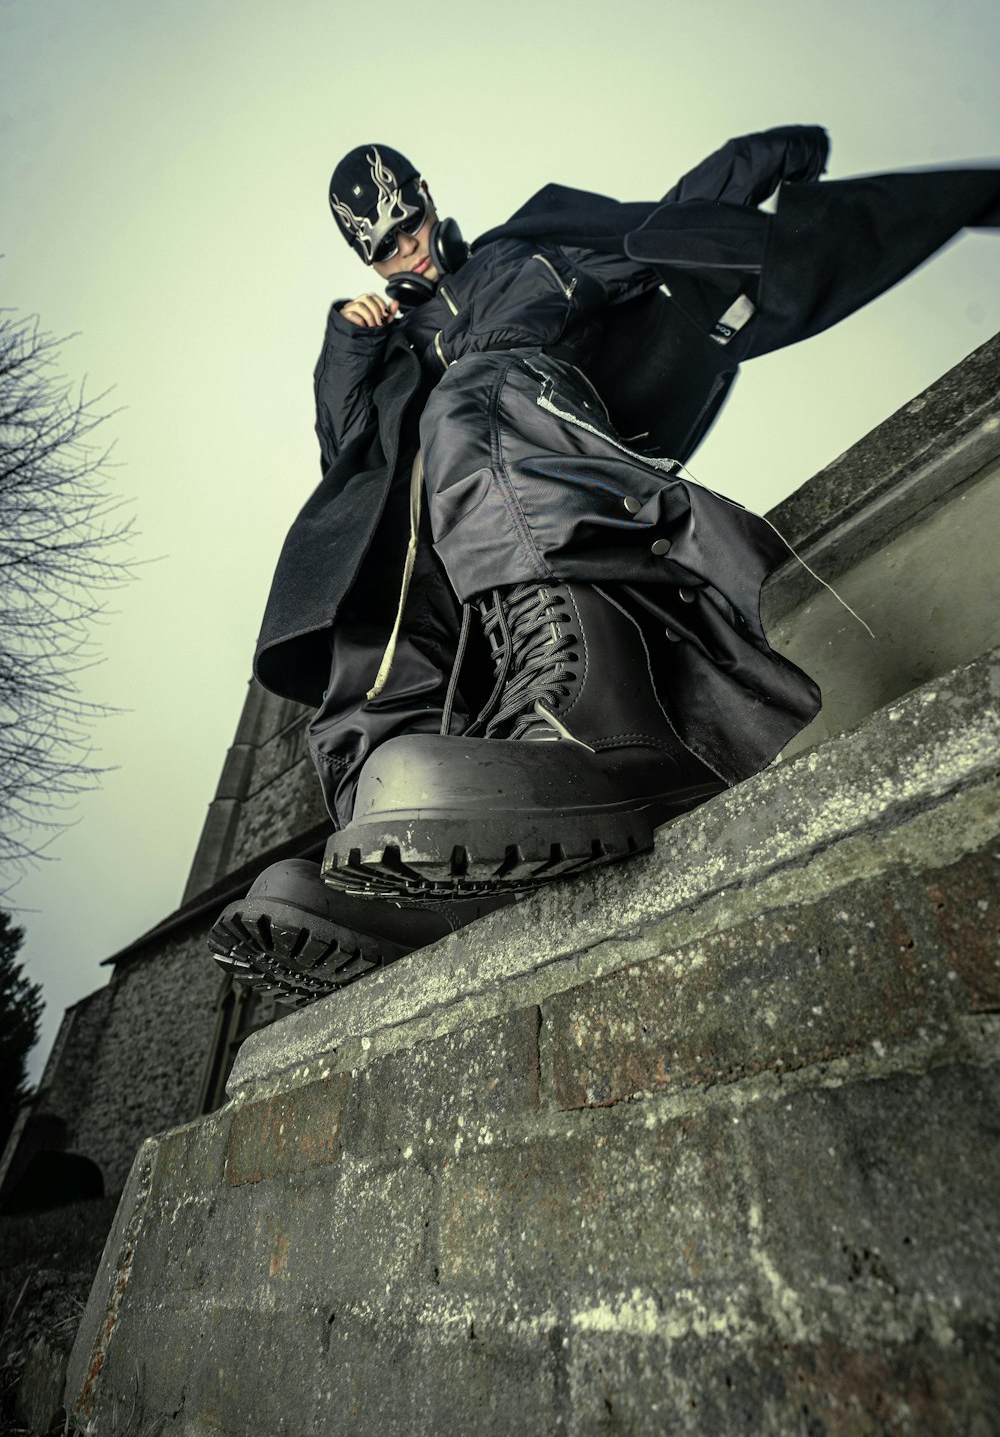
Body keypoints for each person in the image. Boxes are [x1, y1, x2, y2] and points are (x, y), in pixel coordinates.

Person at [209, 130, 1000, 1006]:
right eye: (391, 246)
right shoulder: (389, 348)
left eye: (415, 224)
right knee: (370, 581)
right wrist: (348, 344)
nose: (413, 249)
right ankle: (394, 847)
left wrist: (757, 160)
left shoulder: (525, 255)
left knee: (468, 401)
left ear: (430, 200)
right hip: (443, 543)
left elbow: (660, 231)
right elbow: (341, 449)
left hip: (536, 440)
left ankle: (592, 707)